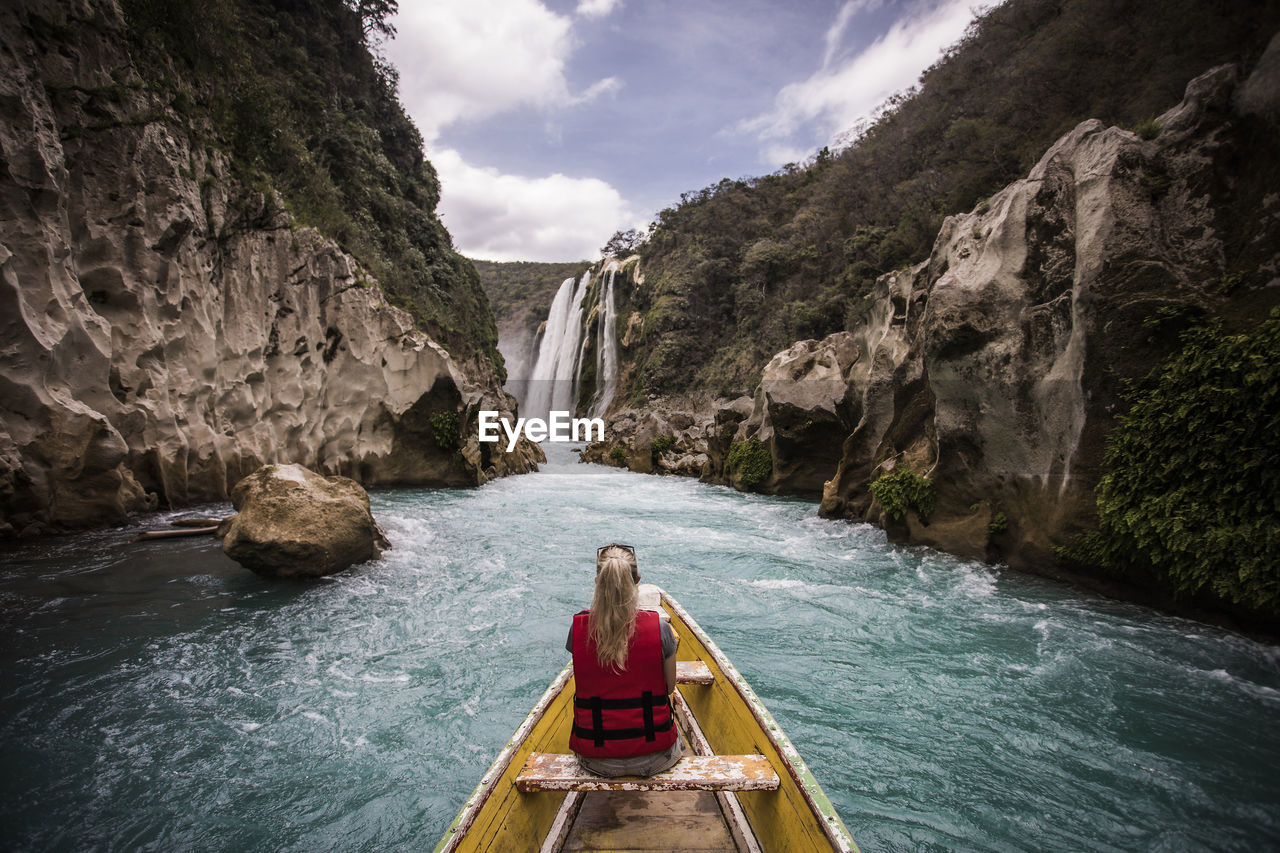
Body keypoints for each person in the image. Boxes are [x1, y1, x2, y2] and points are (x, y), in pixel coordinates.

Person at [565, 543, 683, 777]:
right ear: (637, 579)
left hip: (595, 758)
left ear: (598, 581)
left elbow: (586, 682)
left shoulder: (578, 629)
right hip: (655, 755)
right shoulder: (660, 628)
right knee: (680, 740)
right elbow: (669, 688)